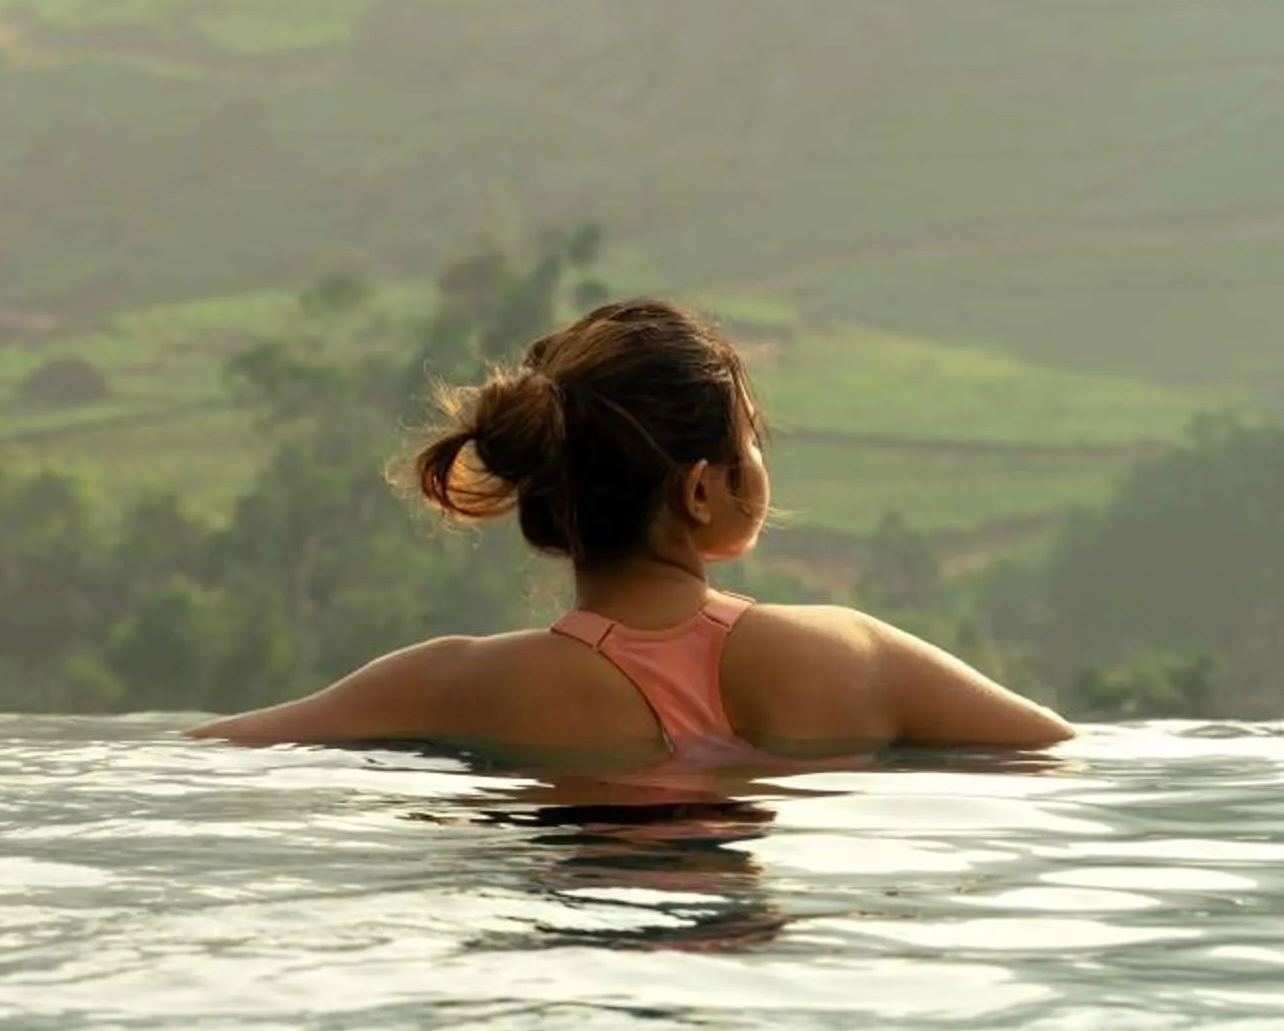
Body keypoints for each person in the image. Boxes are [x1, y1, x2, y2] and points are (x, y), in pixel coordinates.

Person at [190, 297, 1070, 761]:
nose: (763, 466)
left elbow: (206, 754)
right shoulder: (852, 656)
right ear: (699, 490)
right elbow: (1057, 753)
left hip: (571, 964)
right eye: (751, 446)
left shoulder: (449, 684)